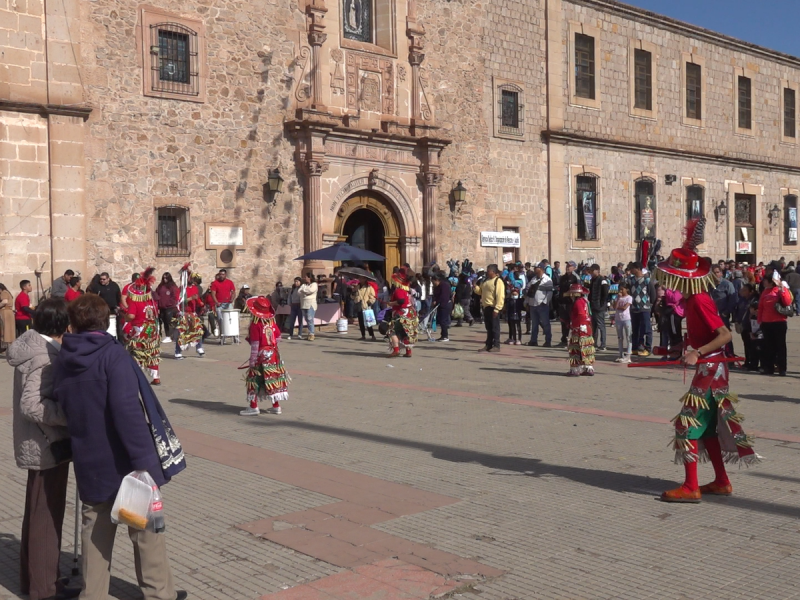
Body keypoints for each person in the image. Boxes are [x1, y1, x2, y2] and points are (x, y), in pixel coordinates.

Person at [52, 294, 187, 600]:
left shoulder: (63, 359)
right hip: (126, 463)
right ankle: (159, 593)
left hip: (89, 459)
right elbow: (128, 413)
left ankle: (93, 594)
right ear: (105, 320)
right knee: (146, 533)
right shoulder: (113, 356)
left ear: (73, 323)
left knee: (95, 533)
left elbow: (62, 403)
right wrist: (146, 463)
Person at [653, 219, 759, 503]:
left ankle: (691, 487)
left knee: (686, 424)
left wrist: (697, 353)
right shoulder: (691, 300)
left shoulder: (699, 300)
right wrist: (676, 348)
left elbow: (724, 335)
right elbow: (700, 337)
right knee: (709, 427)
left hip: (711, 368)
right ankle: (722, 481)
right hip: (710, 366)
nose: (665, 281)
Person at [8, 298, 79, 600]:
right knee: (46, 516)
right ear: (64, 325)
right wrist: (68, 416)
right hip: (46, 444)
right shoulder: (45, 356)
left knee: (37, 513)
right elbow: (32, 404)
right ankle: (45, 588)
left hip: (38, 442)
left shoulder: (32, 346)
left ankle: (34, 579)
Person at [240, 296, 290, 416]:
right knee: (273, 379)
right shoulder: (272, 322)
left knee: (254, 379)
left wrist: (252, 361)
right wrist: (270, 345)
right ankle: (276, 406)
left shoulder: (255, 325)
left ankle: (253, 406)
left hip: (261, 355)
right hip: (274, 354)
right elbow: (278, 338)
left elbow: (255, 345)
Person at [123, 268, 162, 385]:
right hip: (151, 328)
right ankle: (156, 377)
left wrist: (125, 318)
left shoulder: (134, 300)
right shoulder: (151, 301)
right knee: (151, 351)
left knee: (136, 350)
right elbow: (156, 313)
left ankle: (136, 376)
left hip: (139, 328)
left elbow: (131, 315)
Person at [757, 272, 792, 376]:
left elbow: (787, 302)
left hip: (779, 322)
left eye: (765, 280)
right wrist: (760, 320)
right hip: (766, 323)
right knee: (768, 346)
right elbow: (761, 307)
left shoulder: (780, 290)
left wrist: (782, 289)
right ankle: (769, 368)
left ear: (771, 282)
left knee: (780, 346)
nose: (763, 282)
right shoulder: (765, 292)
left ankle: (782, 368)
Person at [174, 264, 205, 360]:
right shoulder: (181, 289)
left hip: (193, 313)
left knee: (197, 330)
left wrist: (201, 304)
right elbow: (179, 301)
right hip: (184, 313)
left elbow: (197, 298)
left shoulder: (195, 288)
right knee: (182, 333)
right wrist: (191, 298)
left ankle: (199, 347)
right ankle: (178, 352)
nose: (190, 279)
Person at [564, 283, 595, 376]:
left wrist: (573, 325)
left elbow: (581, 314)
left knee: (575, 349)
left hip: (579, 329)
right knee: (586, 348)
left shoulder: (578, 302)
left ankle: (576, 369)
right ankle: (588, 368)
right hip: (586, 328)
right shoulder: (585, 301)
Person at [388, 267, 419, 357]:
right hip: (409, 312)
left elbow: (400, 301)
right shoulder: (406, 290)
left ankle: (396, 350)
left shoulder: (399, 291)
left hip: (401, 313)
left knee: (392, 331)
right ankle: (408, 352)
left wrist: (391, 303)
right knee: (406, 332)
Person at [627, 263, 654, 356]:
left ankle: (647, 348)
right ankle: (635, 347)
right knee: (635, 329)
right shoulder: (630, 280)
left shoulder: (647, 280)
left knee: (646, 329)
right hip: (634, 308)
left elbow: (652, 294)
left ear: (638, 269)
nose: (630, 271)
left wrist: (650, 305)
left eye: (632, 269)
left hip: (644, 308)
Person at [526, 262, 553, 347]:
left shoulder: (547, 280)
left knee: (545, 323)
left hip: (542, 305)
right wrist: (527, 302)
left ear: (541, 269)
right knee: (534, 324)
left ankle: (548, 341)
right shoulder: (533, 279)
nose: (534, 270)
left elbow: (549, 293)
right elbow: (528, 290)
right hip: (533, 304)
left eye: (536, 268)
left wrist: (545, 302)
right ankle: (533, 340)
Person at [479, 264, 505, 353]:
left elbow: (500, 296)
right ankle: (488, 344)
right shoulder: (486, 281)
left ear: (493, 272)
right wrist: (475, 287)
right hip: (486, 307)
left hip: (493, 307)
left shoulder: (498, 281)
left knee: (495, 327)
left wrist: (497, 308)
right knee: (488, 327)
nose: (487, 272)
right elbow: (480, 291)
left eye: (489, 270)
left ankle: (496, 345)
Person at [556, 261, 579, 346]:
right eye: (567, 266)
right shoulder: (562, 278)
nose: (567, 267)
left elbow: (578, 291)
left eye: (569, 266)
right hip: (563, 303)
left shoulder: (575, 278)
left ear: (574, 268)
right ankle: (564, 339)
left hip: (571, 303)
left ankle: (573, 340)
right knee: (563, 322)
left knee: (573, 322)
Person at [588, 264, 609, 351]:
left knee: (601, 325)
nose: (591, 273)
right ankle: (594, 343)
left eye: (593, 271)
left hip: (599, 307)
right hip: (593, 305)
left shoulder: (602, 280)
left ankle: (603, 344)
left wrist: (601, 304)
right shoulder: (593, 280)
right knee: (594, 326)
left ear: (597, 271)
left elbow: (605, 293)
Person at [210, 269, 236, 337]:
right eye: (220, 274)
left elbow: (233, 292)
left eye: (223, 274)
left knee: (231, 319)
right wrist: (216, 302)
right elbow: (213, 294)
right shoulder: (215, 283)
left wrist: (232, 299)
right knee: (220, 320)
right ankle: (222, 335)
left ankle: (233, 335)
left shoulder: (230, 282)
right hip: (219, 305)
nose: (221, 276)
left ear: (225, 275)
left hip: (228, 304)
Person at [155, 272, 179, 343]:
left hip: (170, 307)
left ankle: (170, 336)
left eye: (166, 278)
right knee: (164, 321)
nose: (165, 279)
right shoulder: (160, 286)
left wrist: (168, 304)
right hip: (162, 307)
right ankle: (167, 335)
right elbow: (157, 295)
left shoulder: (172, 286)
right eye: (163, 278)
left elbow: (174, 296)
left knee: (169, 322)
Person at [614, 283, 633, 363]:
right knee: (620, 337)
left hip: (626, 319)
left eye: (622, 289)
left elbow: (625, 307)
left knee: (628, 337)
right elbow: (614, 307)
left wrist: (618, 307)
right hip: (618, 319)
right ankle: (620, 354)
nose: (621, 291)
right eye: (620, 289)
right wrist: (618, 298)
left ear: (626, 289)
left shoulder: (629, 298)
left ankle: (628, 355)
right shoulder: (618, 297)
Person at [432, 273, 453, 342]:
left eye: (433, 282)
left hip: (445, 305)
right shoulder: (437, 286)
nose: (433, 283)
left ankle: (445, 336)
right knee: (441, 320)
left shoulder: (444, 285)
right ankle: (443, 335)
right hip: (440, 305)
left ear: (437, 280)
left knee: (443, 320)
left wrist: (437, 302)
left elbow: (444, 297)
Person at [299, 272, 318, 341]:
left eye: (306, 277)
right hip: (304, 304)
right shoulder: (304, 285)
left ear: (310, 278)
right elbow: (299, 291)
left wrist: (304, 291)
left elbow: (310, 291)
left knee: (310, 319)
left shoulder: (314, 284)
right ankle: (309, 333)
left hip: (310, 304)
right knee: (307, 319)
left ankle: (311, 334)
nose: (305, 278)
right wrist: (305, 291)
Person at [0, 282, 15, 352]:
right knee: (9, 329)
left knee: (6, 329)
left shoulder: (4, 292)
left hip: (5, 312)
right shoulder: (7, 292)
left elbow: (4, 301)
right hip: (9, 312)